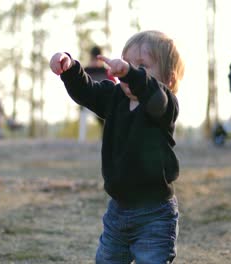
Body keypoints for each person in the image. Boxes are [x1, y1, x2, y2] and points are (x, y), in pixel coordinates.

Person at [49, 30, 184, 263]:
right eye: (126, 64)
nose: (128, 71)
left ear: (169, 80)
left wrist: (132, 74)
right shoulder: (115, 98)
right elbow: (87, 91)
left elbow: (154, 94)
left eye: (143, 66)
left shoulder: (163, 105)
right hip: (118, 212)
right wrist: (69, 67)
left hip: (155, 215)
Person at [79, 46, 116, 140]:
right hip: (87, 102)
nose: (95, 62)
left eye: (97, 59)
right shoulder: (85, 71)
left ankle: (106, 136)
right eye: (93, 59)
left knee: (107, 115)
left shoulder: (106, 71)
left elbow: (114, 85)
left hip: (104, 102)